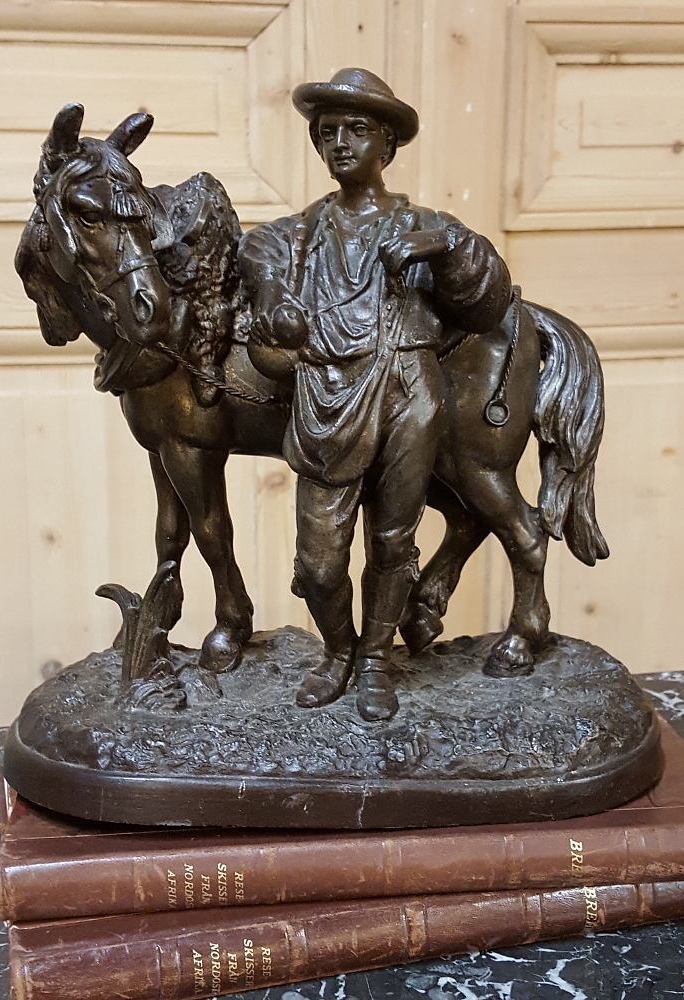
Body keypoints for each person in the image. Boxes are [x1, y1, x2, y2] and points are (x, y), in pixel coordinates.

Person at [238, 68, 510, 721]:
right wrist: (274, 299)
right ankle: (338, 651)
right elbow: (256, 254)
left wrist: (441, 248)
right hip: (327, 395)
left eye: (356, 130)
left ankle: (375, 661)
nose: (340, 143)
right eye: (328, 132)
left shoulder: (425, 224)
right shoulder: (298, 234)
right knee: (319, 563)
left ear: (386, 144)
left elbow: (490, 295)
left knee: (392, 541)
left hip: (408, 388)